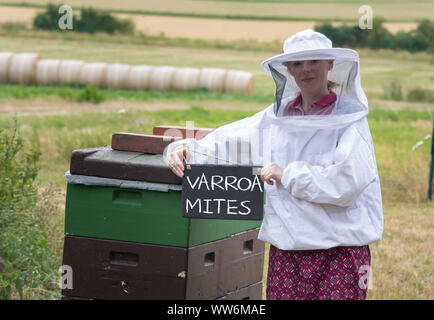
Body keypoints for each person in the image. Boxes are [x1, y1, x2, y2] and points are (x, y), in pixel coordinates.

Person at [165, 29, 383, 300]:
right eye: (297, 63)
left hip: (341, 251)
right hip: (287, 251)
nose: (306, 69)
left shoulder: (350, 121)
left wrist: (286, 174)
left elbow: (346, 183)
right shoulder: (274, 120)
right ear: (288, 70)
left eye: (313, 61)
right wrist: (182, 150)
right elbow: (224, 143)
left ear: (330, 64)